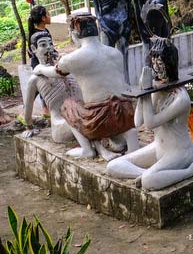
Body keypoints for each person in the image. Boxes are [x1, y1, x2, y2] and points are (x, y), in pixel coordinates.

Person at [107, 37, 193, 190]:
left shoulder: (181, 98)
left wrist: (146, 91)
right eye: (154, 64)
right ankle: (151, 174)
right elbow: (138, 122)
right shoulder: (156, 89)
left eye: (160, 64)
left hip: (181, 153)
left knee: (148, 182)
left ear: (170, 64)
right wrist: (143, 89)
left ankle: (191, 171)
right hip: (159, 148)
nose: (157, 69)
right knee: (114, 166)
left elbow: (150, 123)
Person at [33, 13, 139, 160]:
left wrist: (39, 68)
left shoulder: (73, 58)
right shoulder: (115, 53)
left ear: (74, 33)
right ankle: (115, 141)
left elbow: (53, 72)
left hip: (100, 121)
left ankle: (87, 149)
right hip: (126, 115)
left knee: (68, 105)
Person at [22, 31, 83, 143]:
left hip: (81, 113)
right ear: (33, 49)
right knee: (81, 122)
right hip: (62, 122)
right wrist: (29, 127)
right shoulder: (35, 78)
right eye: (43, 45)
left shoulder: (64, 65)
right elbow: (27, 106)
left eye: (50, 44)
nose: (49, 48)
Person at [91, 0, 132, 82]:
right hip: (107, 27)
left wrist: (128, 26)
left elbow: (129, 8)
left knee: (123, 58)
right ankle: (110, 88)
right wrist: (104, 27)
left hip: (122, 24)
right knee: (106, 59)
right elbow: (98, 13)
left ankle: (126, 85)